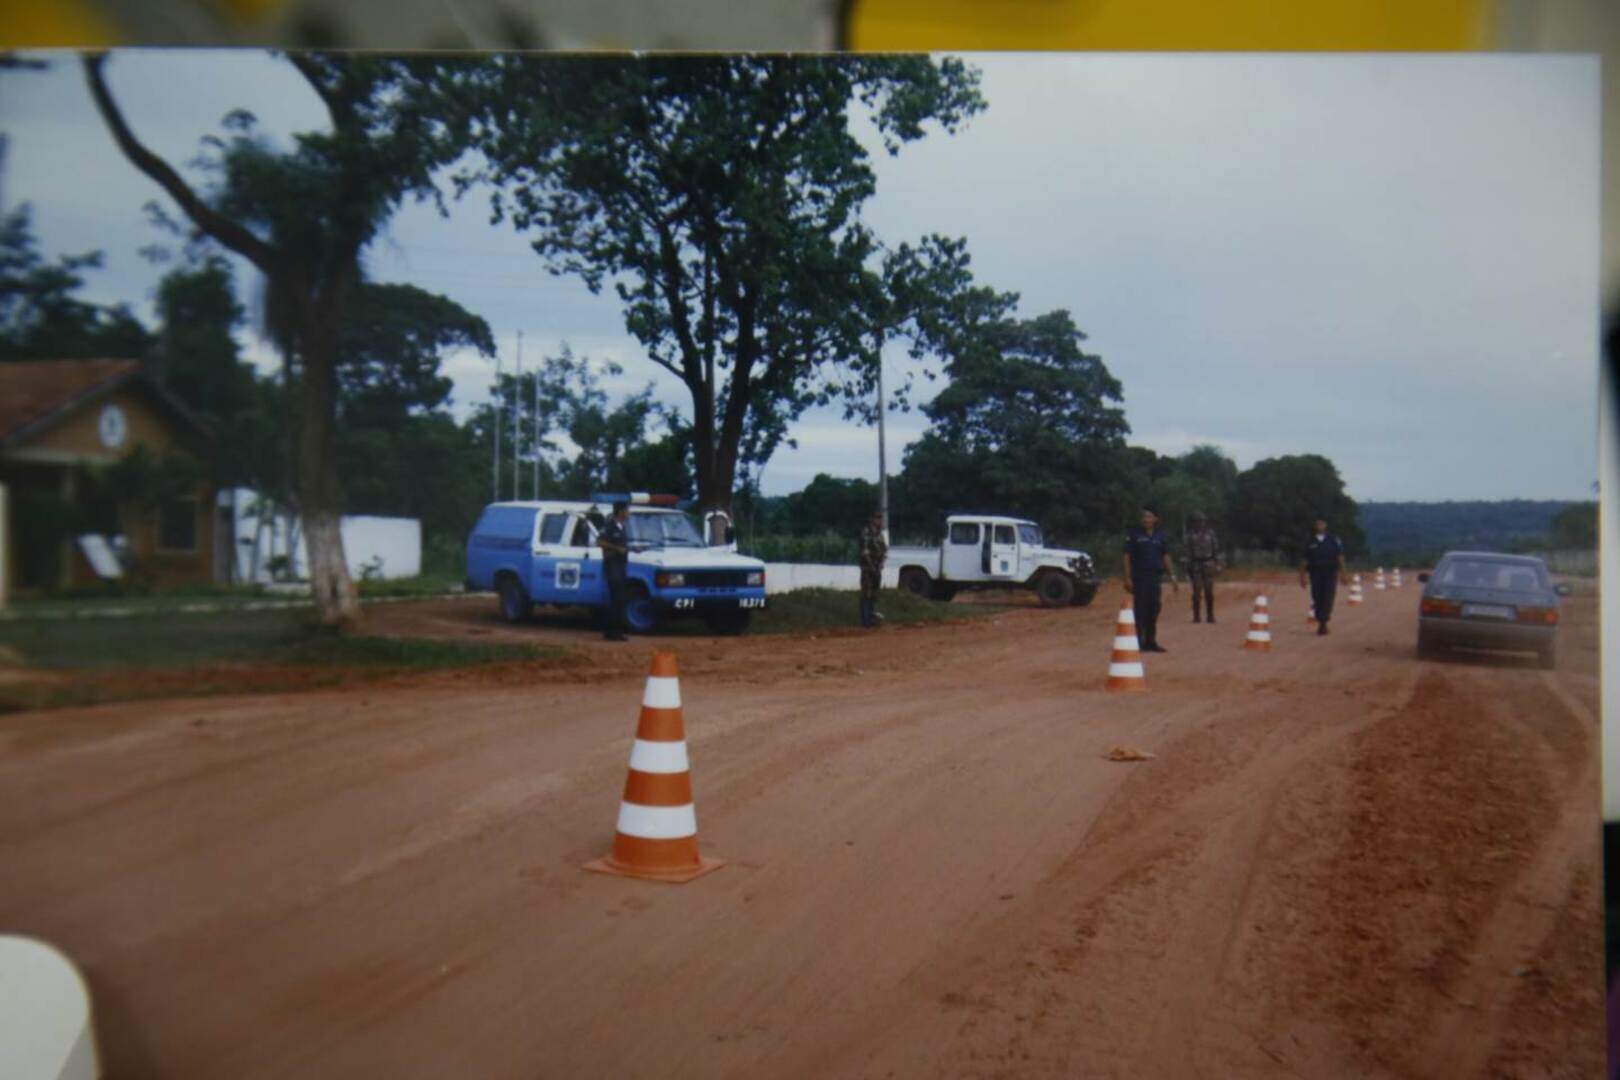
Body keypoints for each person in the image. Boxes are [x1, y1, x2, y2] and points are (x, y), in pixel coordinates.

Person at [1123, 508, 1178, 652]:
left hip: (1155, 577)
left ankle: (1151, 641)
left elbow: (1165, 556)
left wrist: (1172, 575)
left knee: (1154, 608)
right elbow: (1127, 557)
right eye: (1144, 517)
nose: (1146, 520)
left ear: (1155, 519)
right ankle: (1138, 642)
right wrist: (1127, 577)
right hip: (1140, 577)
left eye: (1149, 517)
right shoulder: (1134, 535)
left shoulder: (1160, 536)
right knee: (1140, 609)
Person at [1299, 517, 1347, 636]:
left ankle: (1323, 622)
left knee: (1328, 597)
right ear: (1315, 526)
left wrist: (1344, 574)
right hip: (1315, 573)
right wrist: (1302, 577)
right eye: (1317, 524)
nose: (1320, 526)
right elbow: (1304, 560)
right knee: (1316, 596)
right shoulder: (1310, 541)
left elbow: (1340, 558)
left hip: (1330, 573)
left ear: (1326, 525)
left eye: (1322, 524)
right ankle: (1320, 619)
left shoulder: (1334, 540)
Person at [599, 500, 631, 641]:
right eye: (627, 510)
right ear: (620, 511)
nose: (628, 512)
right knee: (616, 598)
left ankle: (614, 630)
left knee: (620, 599)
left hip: (620, 565)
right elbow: (600, 542)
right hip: (612, 565)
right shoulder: (610, 526)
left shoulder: (622, 527)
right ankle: (612, 632)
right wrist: (616, 548)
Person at [1184, 511, 1221, 624]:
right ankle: (1196, 616)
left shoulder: (1210, 534)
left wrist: (1217, 563)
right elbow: (1188, 552)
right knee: (1196, 592)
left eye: (1202, 521)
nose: (1200, 523)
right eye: (1197, 521)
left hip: (1208, 563)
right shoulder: (1190, 536)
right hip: (1196, 564)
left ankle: (1210, 615)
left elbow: (1215, 550)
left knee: (1209, 592)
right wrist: (1187, 566)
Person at [858, 510, 887, 629]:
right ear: (872, 519)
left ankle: (870, 618)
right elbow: (864, 552)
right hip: (867, 567)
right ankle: (865, 621)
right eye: (877, 518)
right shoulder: (866, 532)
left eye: (880, 518)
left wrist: (881, 564)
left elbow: (884, 550)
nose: (879, 520)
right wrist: (871, 566)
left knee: (874, 594)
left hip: (877, 567)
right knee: (866, 593)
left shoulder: (880, 534)